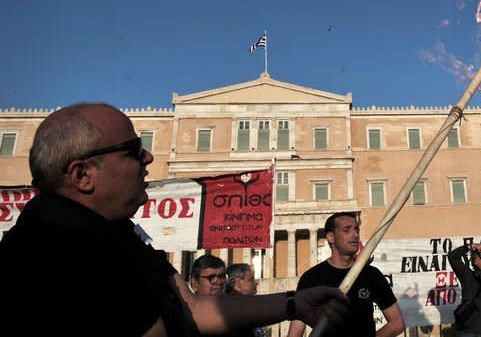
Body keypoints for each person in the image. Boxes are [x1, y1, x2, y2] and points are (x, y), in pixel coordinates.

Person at [0, 102, 347, 336]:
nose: (149, 155)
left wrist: (293, 303)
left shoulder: (118, 233)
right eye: (134, 150)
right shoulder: (59, 247)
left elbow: (192, 309)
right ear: (83, 175)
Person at [287, 212, 404, 337]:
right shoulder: (311, 278)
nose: (355, 235)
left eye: (356, 229)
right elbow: (295, 332)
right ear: (331, 237)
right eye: (346, 230)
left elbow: (397, 323)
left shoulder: (371, 275)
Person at [226, 263, 267, 337]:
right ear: (238, 283)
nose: (256, 282)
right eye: (251, 279)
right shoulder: (234, 311)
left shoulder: (246, 307)